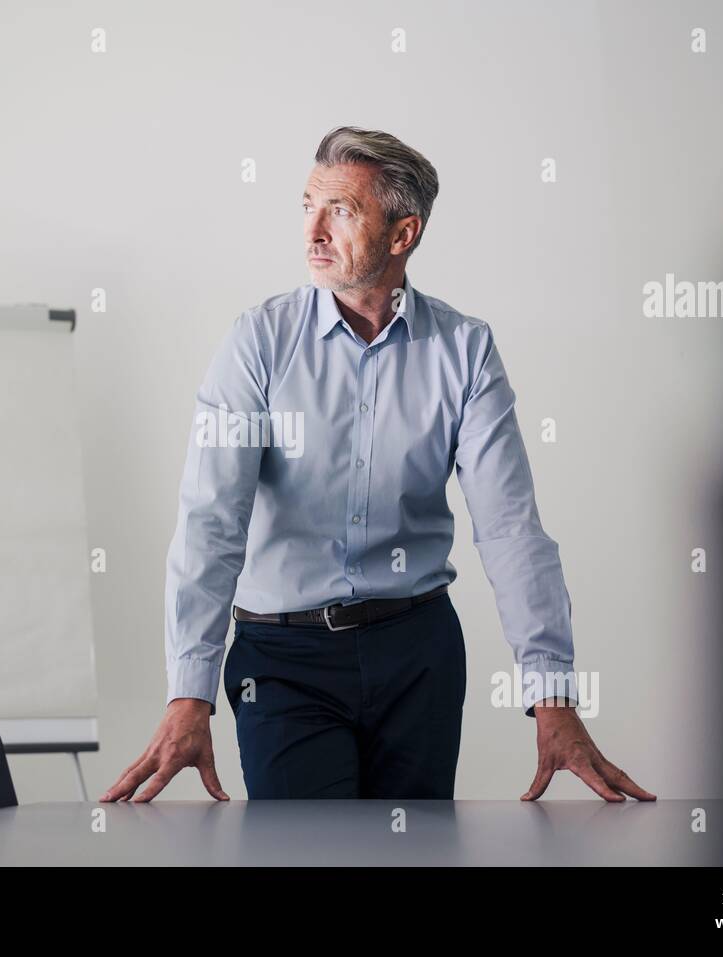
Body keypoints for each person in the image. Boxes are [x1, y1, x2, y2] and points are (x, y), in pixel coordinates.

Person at [101, 126, 654, 803]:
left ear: (402, 234)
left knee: (414, 856)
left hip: (416, 655)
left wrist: (553, 695)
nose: (313, 231)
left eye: (341, 210)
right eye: (308, 205)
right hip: (283, 661)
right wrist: (189, 692)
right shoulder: (257, 344)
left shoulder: (465, 351)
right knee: (309, 855)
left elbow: (511, 530)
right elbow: (212, 521)